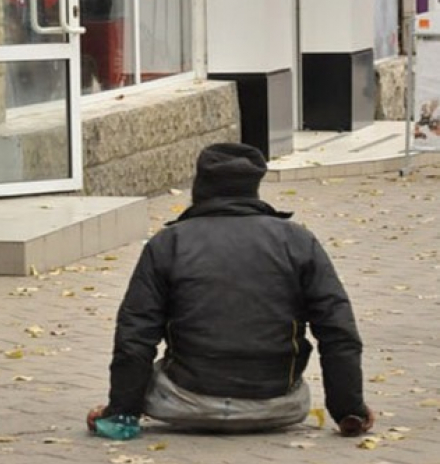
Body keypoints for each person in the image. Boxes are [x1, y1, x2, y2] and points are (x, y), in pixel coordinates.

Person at [87, 143, 374, 438]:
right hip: (278, 405)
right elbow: (338, 330)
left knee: (153, 373)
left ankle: (124, 411)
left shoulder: (168, 243)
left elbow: (135, 334)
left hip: (183, 403)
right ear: (253, 187)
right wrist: (348, 409)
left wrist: (121, 412)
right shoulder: (297, 241)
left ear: (199, 186)